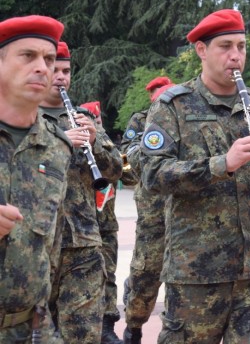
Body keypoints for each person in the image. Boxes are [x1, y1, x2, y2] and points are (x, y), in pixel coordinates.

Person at [139, 9, 250, 343]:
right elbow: (153, 175)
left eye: (242, 46)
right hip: (196, 273)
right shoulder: (173, 106)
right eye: (225, 46)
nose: (236, 56)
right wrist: (223, 164)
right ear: (201, 51)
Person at [41, 41, 123, 343]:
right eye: (55, 69)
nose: (61, 77)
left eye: (66, 70)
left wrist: (95, 141)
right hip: (39, 242)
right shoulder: (23, 117)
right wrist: (62, 142)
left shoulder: (82, 118)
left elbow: (117, 171)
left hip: (83, 243)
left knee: (82, 333)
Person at [0, 15, 71, 343]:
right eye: (28, 56)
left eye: (49, 58)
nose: (43, 67)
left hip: (33, 328)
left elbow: (51, 246)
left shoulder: (58, 147)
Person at [120, 76, 174, 344]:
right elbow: (127, 166)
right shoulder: (140, 123)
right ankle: (134, 328)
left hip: (185, 216)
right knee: (145, 276)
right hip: (153, 214)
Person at [80, 100, 123, 344]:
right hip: (80, 224)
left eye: (95, 118)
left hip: (105, 223)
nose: (96, 121)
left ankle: (107, 325)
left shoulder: (102, 138)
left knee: (108, 274)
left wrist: (96, 141)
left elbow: (120, 171)